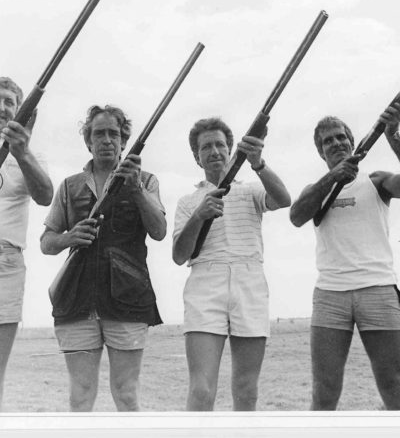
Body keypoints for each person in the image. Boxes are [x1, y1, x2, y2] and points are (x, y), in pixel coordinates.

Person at [40, 105, 166, 412]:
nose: (107, 140)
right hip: (76, 298)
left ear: (124, 140)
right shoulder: (69, 186)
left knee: (127, 394)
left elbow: (159, 231)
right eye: (99, 133)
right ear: (88, 141)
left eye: (114, 133)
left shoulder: (146, 181)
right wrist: (69, 237)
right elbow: (47, 242)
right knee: (80, 396)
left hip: (128, 299)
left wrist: (136, 190)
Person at [172, 117, 291, 411]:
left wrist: (258, 163)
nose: (214, 151)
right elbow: (179, 255)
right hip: (205, 283)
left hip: (249, 281)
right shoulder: (188, 201)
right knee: (201, 390)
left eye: (220, 145)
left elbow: (283, 199)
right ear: (196, 157)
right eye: (206, 147)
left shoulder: (250, 190)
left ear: (230, 150)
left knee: (246, 389)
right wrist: (199, 215)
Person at [289, 106, 400, 410]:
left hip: (378, 288)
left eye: (341, 137)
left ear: (352, 142)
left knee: (394, 383)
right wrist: (332, 178)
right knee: (324, 390)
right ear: (320, 152)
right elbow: (296, 216)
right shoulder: (315, 190)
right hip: (330, 294)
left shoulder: (376, 181)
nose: (336, 143)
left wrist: (393, 136)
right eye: (328, 141)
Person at [0, 77, 53, 409]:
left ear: (21, 111)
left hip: (5, 262)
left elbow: (45, 195)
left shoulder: (29, 155)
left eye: (9, 101)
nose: (2, 107)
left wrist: (21, 153)